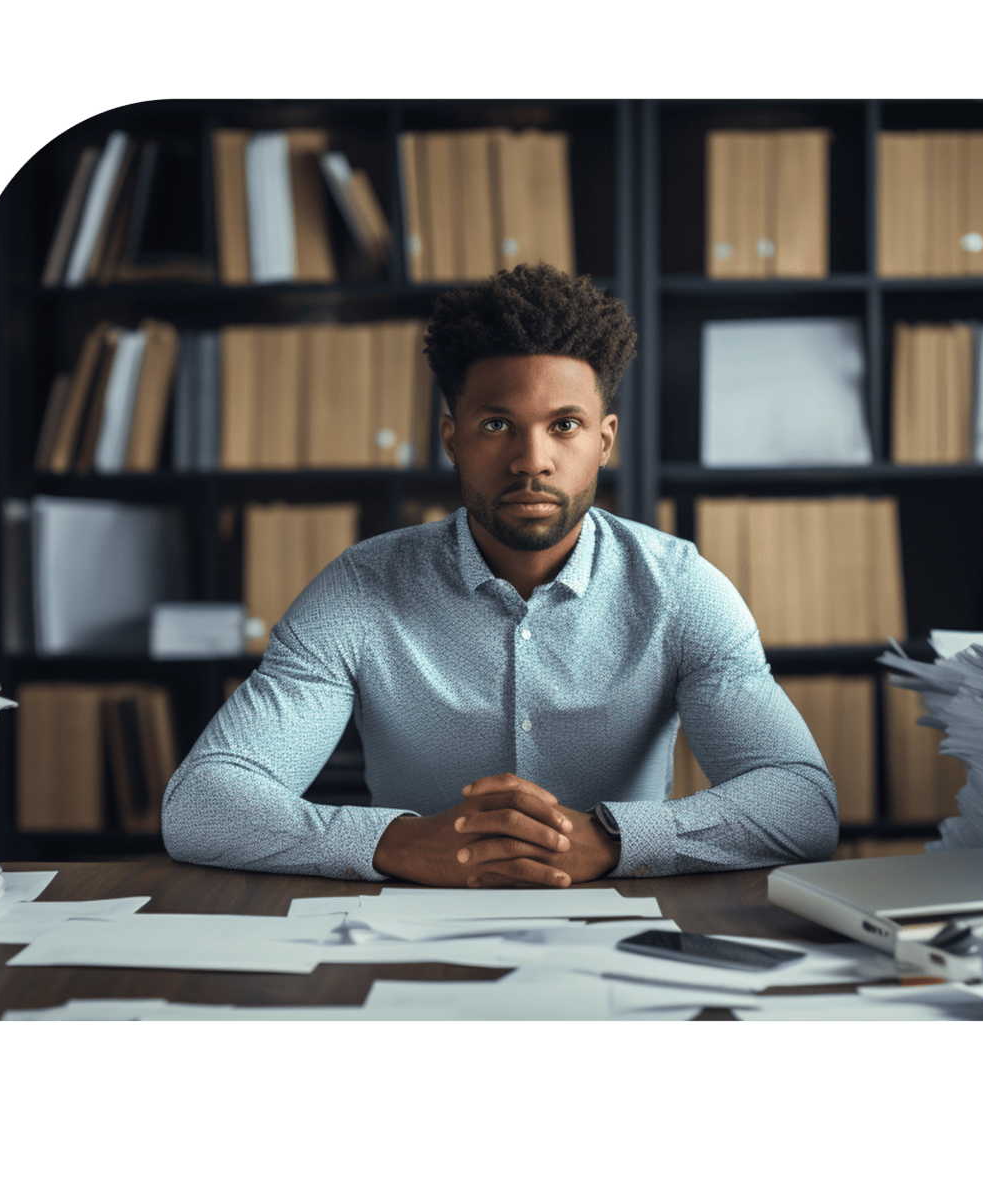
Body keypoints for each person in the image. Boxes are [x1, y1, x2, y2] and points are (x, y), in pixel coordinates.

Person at [162, 263, 838, 887]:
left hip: (623, 932)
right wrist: (396, 843)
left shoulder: (681, 589)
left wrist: (610, 839)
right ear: (452, 438)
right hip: (405, 935)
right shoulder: (359, 590)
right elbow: (202, 803)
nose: (530, 460)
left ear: (604, 440)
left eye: (564, 425)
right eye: (497, 425)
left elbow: (802, 802)